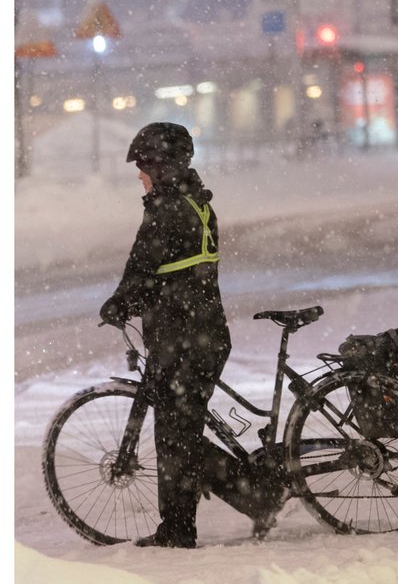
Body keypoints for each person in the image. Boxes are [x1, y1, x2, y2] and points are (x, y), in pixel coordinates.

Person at [100, 122, 285, 548]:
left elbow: (143, 272)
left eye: (144, 165)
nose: (139, 175)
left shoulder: (167, 211)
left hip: (182, 341)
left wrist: (118, 305)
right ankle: (200, 518)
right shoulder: (196, 203)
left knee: (176, 436)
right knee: (178, 432)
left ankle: (246, 500)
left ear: (162, 166)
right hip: (198, 335)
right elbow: (166, 273)